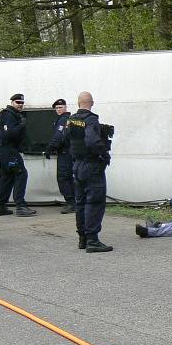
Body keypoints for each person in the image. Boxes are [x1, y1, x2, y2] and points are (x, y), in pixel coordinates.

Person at [65, 91, 113, 253]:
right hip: (91, 165)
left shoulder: (71, 119)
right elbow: (92, 141)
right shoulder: (91, 119)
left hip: (77, 165)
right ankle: (93, 240)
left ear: (78, 103)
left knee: (81, 202)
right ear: (91, 102)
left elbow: (66, 138)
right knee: (94, 202)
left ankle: (83, 239)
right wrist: (104, 153)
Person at [0, 94, 36, 217]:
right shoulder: (8, 114)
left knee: (6, 177)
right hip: (8, 150)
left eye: (22, 103)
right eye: (18, 102)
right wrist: (21, 125)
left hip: (6, 150)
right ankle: (20, 206)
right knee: (21, 174)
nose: (20, 105)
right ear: (12, 102)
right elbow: (9, 134)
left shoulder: (11, 114)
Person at [44, 98, 75, 213]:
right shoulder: (65, 119)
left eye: (60, 107)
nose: (58, 109)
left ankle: (71, 203)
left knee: (63, 178)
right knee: (69, 178)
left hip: (65, 153)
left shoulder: (64, 119)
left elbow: (58, 137)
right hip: (67, 152)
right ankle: (73, 202)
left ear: (66, 107)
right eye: (56, 108)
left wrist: (50, 148)